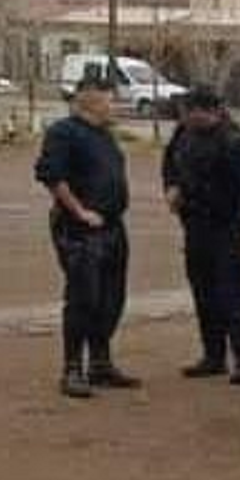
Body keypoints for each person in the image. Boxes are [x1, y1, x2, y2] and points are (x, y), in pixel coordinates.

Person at [35, 72, 140, 399]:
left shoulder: (105, 135)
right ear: (90, 98)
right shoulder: (64, 133)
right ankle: (72, 369)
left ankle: (100, 363)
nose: (115, 104)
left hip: (112, 226)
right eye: (110, 97)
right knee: (84, 298)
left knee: (112, 298)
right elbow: (52, 176)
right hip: (80, 230)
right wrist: (79, 211)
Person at [161, 86, 240, 384]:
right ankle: (213, 355)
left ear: (209, 111)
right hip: (196, 226)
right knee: (203, 293)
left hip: (229, 228)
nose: (185, 117)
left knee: (234, 296)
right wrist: (171, 188)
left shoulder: (235, 142)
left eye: (190, 112)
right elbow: (169, 166)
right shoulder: (183, 135)